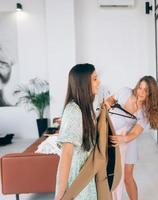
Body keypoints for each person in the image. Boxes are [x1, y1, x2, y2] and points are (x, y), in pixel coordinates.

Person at [105, 75, 158, 200]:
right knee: (110, 175)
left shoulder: (145, 112)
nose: (141, 92)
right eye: (140, 88)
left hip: (128, 142)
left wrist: (122, 139)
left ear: (150, 94)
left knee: (127, 177)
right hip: (113, 137)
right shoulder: (125, 91)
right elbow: (110, 100)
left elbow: (135, 133)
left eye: (145, 90)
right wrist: (108, 104)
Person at [54, 63, 100, 200]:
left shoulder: (86, 109)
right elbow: (66, 155)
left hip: (85, 176)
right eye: (95, 79)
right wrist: (59, 196)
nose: (99, 82)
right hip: (77, 180)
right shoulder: (73, 111)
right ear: (84, 83)